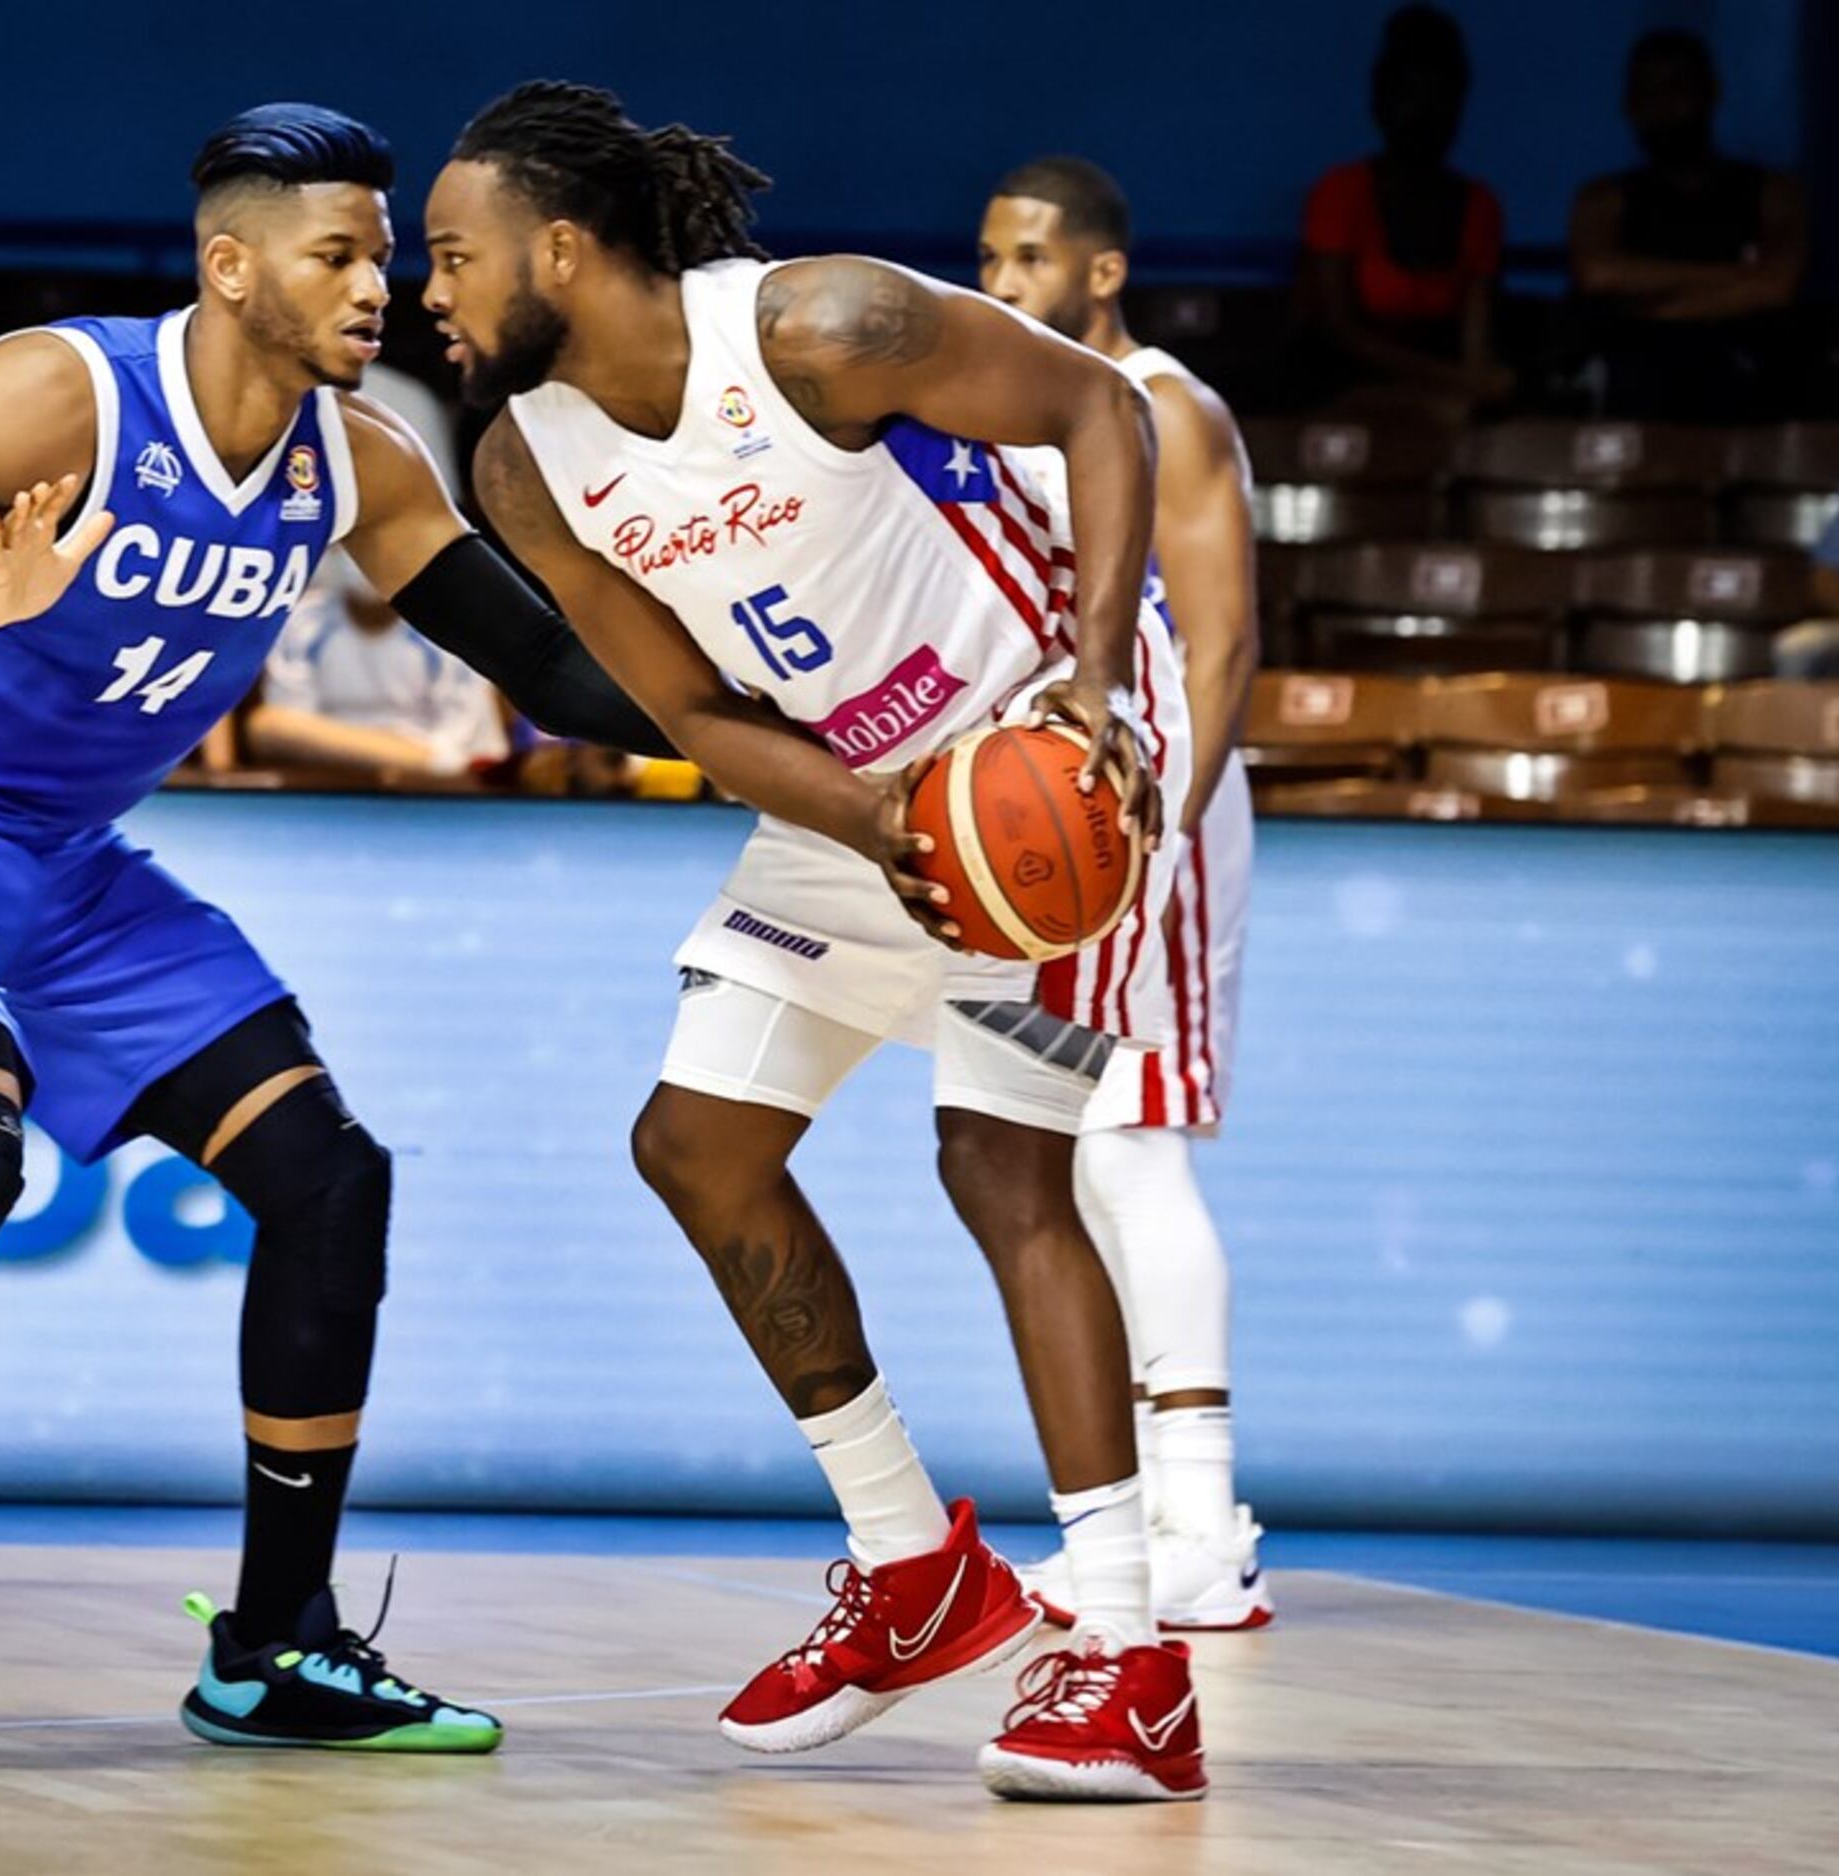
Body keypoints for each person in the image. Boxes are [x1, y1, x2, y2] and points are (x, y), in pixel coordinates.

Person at [0, 104, 673, 1774]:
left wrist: (782, 710)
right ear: (229, 265)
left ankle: (276, 1645)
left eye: (383, 251)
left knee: (330, 1177)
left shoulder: (360, 460)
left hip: (60, 858)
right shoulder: (62, 390)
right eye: (338, 253)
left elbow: (548, 669)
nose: (376, 284)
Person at [425, 83, 1205, 1802]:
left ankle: (1137, 1657)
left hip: (1044, 770)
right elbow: (693, 707)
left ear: (562, 247)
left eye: (453, 254)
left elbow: (1096, 414)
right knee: (694, 1145)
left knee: (1005, 1169)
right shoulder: (520, 462)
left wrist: (1090, 683)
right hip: (864, 798)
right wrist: (877, 826)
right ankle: (914, 1565)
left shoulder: (819, 326)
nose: (432, 292)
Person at [977, 159, 1268, 1631]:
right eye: (987, 257)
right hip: (1080, 827)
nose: (1001, 283)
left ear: (1099, 270)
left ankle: (1200, 1524)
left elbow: (1217, 648)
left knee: (1133, 1148)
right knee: (1080, 1157)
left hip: (1163, 812)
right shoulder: (1018, 413)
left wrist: (1164, 826)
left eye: (1028, 258)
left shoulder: (1169, 403)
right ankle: (1176, 1508)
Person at [1568, 29, 1807, 421]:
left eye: (1675, 87)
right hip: (1632, 383)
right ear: (1629, 104)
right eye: (1648, 92)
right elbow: (1598, 274)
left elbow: (1776, 285)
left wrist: (1640, 304)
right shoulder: (1603, 198)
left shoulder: (1773, 192)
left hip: (1740, 376)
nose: (1662, 105)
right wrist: (1738, 278)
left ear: (1710, 91)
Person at [1298, 5, 1508, 412]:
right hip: (1342, 382)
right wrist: (1458, 379)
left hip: (1444, 392)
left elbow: (1476, 345)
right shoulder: (1341, 191)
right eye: (1409, 96)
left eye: (1438, 99)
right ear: (1379, 102)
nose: (1423, 115)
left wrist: (1479, 382)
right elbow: (1336, 330)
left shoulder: (1480, 207)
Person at [248, 560, 508, 777]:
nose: (365, 558)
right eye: (350, 545)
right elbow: (275, 730)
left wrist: (329, 743)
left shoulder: (452, 627)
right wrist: (393, 755)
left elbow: (453, 759)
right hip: (332, 790)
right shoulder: (302, 623)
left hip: (437, 797)